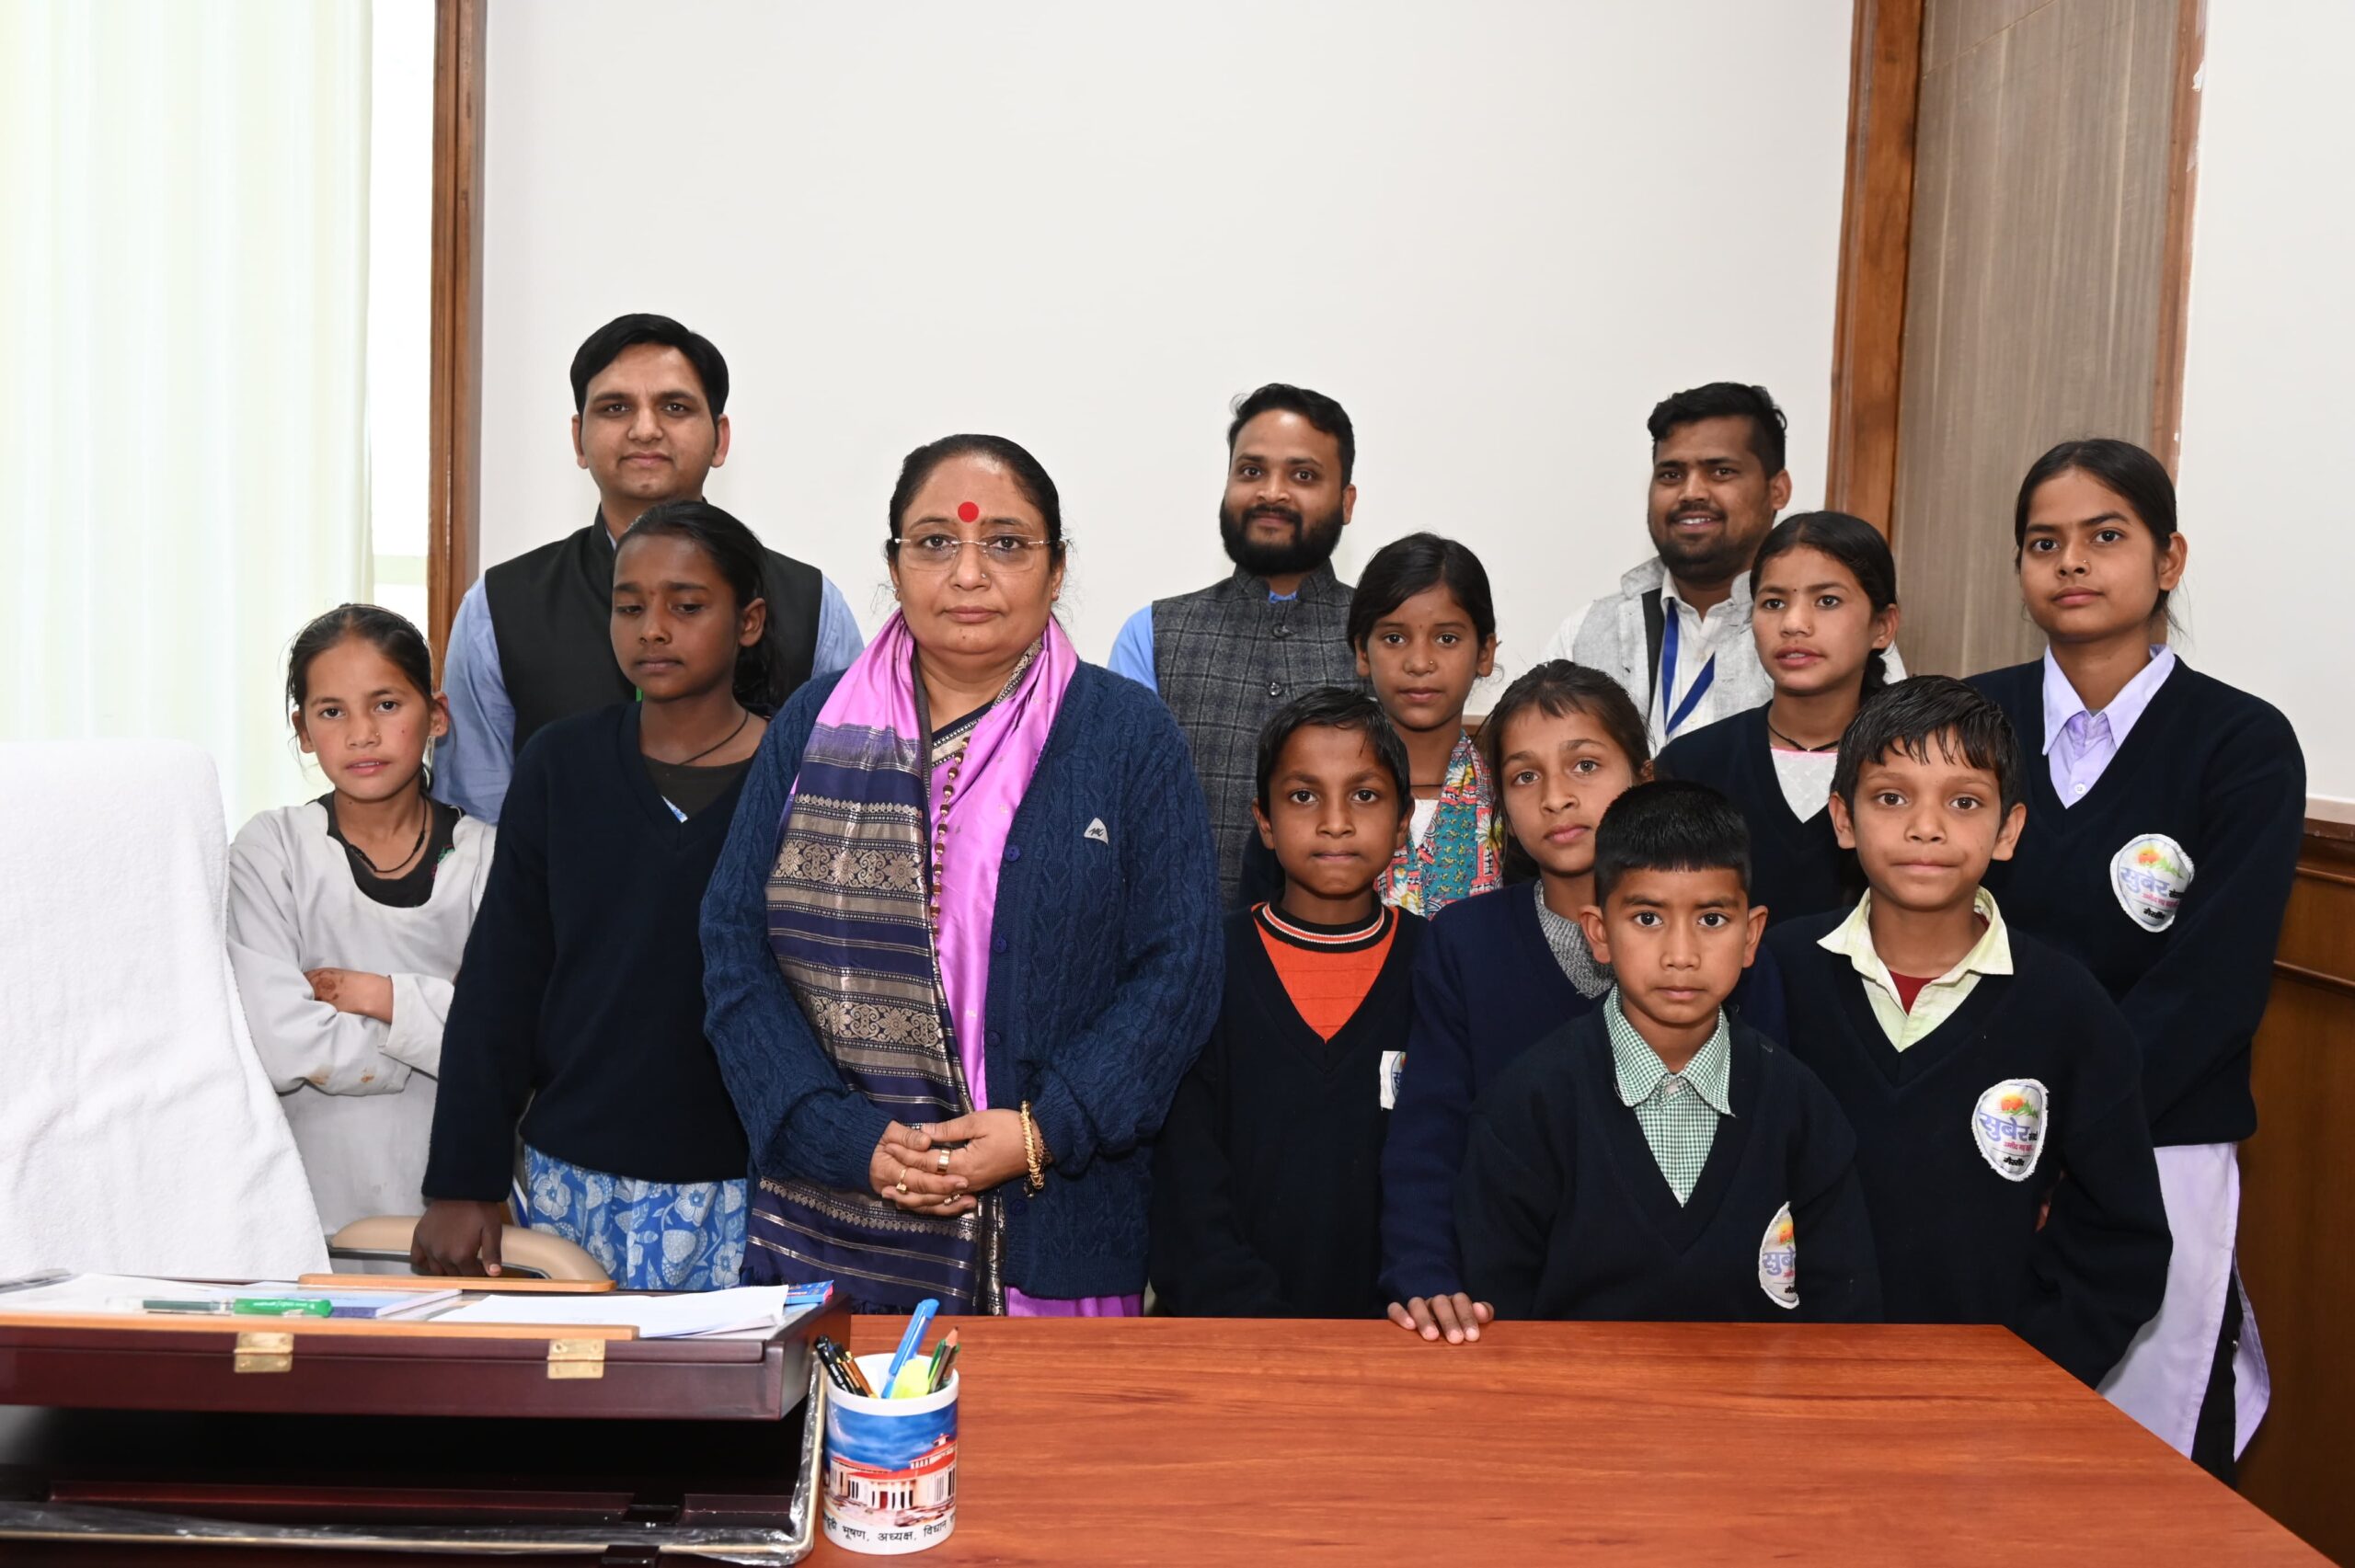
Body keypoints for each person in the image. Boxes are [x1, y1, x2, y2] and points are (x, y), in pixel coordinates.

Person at [702, 434, 1223, 1315]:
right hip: (833, 1215)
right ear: (894, 566)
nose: (969, 573)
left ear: (1057, 569)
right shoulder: (813, 726)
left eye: (1006, 543)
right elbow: (733, 946)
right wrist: (838, 1134)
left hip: (1053, 1232)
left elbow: (1180, 971)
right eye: (936, 542)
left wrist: (1045, 1128)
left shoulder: (1128, 736)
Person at [1970, 440, 2303, 1475]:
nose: (2071, 561)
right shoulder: (1965, 724)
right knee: (1970, 1435)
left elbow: (2213, 984)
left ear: (2168, 559)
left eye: (2104, 535)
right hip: (1976, 1131)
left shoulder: (2241, 742)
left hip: (2158, 1139)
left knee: (2138, 1464)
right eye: (2043, 542)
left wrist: (2076, 1135)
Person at [414, 501, 790, 1288]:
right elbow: (501, 982)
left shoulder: (801, 776)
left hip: (759, 1187)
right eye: (630, 606)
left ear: (749, 621)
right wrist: (463, 1178)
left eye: (686, 606)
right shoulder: (561, 764)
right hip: (574, 1183)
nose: (653, 629)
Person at [1764, 677, 2171, 1383]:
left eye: (1964, 802)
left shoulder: (2067, 1007)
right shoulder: (1773, 975)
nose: (1927, 827)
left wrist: (2023, 1376)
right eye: (1892, 798)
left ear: (2008, 830)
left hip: (1983, 1400)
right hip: (1783, 1377)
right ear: (1843, 818)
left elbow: (2119, 1238)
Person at [1379, 661, 1792, 1344]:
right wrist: (1426, 1274)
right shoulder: (1464, 942)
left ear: (1644, 777)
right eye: (1524, 777)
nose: (1556, 798)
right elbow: (1429, 1133)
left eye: (1586, 765)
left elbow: (1777, 1150)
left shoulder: (1730, 953)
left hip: (1707, 1323)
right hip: (1511, 1315)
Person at [1454, 781, 1879, 1324]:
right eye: (1648, 919)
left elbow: (1845, 1317)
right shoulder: (1528, 1105)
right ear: (1598, 933)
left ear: (1751, 936)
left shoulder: (1801, 1109)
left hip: (1762, 1384)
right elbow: (1498, 1313)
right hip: (1576, 1382)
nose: (1681, 955)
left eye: (1711, 920)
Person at [435, 313, 864, 823]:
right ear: (578, 439)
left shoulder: (812, 605)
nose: (644, 429)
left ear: (720, 438)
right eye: (615, 408)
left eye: (674, 407)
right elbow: (478, 823)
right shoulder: (499, 607)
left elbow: (850, 802)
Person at [1150, 688, 1422, 1317]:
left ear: (1403, 820)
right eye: (1304, 796)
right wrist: (1260, 1326)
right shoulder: (1204, 964)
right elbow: (1184, 1183)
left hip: (1396, 1336)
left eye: (1365, 795)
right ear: (1265, 822)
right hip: (1227, 1333)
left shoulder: (1440, 967)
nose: (1336, 821)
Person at [227, 605, 495, 1234]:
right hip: (308, 1203)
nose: (361, 734)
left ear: (436, 715)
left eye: (386, 704)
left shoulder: (490, 857)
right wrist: (441, 1032)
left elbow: (516, 1038)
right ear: (302, 729)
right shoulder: (273, 851)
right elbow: (283, 1043)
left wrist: (379, 995)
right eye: (331, 712)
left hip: (458, 1205)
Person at [1541, 383, 1906, 749]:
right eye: (1671, 474)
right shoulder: (1586, 631)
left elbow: (1890, 761)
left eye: (1721, 472)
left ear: (1778, 490)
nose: (1691, 493)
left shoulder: (1841, 639)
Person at [1107, 383, 1363, 899]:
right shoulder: (1150, 634)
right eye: (1251, 471)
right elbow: (1117, 810)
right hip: (1181, 940)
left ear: (1346, 501)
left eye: (1303, 475)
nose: (1272, 493)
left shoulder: (1383, 636)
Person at [1235, 532, 1502, 913]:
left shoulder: (1508, 802)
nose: (1419, 662)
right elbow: (1257, 931)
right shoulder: (1300, 803)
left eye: (1446, 638)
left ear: (1484, 652)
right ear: (1362, 651)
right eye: (1394, 638)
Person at [1656, 512, 1898, 925]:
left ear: (1883, 626)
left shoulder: (1915, 764)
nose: (1793, 624)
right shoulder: (1692, 765)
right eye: (1773, 603)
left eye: (1827, 601)